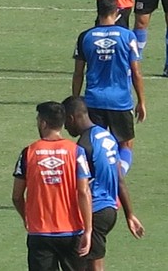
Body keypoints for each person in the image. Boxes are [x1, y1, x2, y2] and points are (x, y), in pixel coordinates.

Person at [62, 96, 145, 271]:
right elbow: (120, 179)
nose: (65, 128)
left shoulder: (84, 146)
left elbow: (80, 186)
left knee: (92, 266)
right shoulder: (105, 136)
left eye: (65, 122)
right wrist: (130, 214)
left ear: (71, 118)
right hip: (110, 210)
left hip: (95, 211)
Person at [12, 101, 93, 271]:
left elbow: (17, 196)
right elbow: (83, 192)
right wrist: (88, 229)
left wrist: (27, 217)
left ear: (42, 123)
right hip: (72, 231)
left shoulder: (28, 153)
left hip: (40, 233)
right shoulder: (76, 152)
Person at [72, 0, 146, 176]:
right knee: (126, 144)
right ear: (117, 12)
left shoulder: (85, 37)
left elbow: (78, 72)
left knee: (93, 145)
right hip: (119, 101)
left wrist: (75, 100)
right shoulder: (127, 36)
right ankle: (117, 178)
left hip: (93, 101)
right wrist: (141, 101)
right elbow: (136, 72)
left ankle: (92, 182)